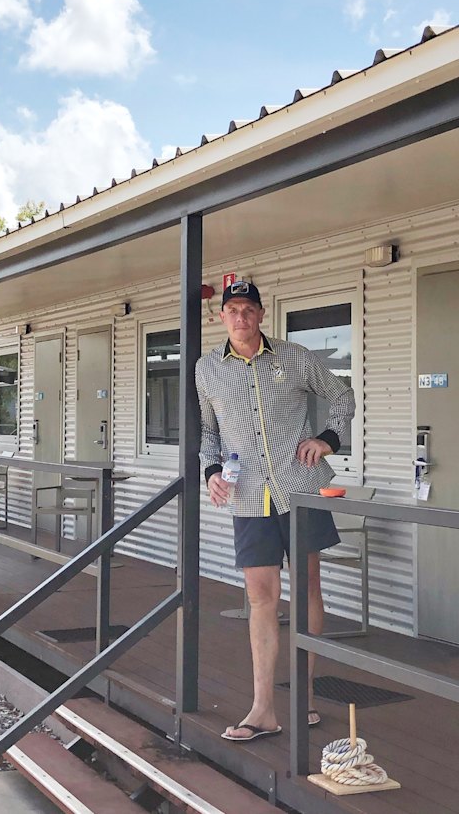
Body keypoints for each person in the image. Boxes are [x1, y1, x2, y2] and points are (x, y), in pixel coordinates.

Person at [195, 280, 355, 742]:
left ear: (262, 314)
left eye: (248, 309)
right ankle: (262, 708)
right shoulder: (207, 370)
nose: (240, 317)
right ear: (221, 317)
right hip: (247, 495)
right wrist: (210, 473)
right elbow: (207, 432)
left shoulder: (295, 357)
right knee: (261, 598)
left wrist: (328, 439)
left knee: (306, 588)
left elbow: (342, 396)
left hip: (300, 487)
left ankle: (303, 697)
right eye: (232, 310)